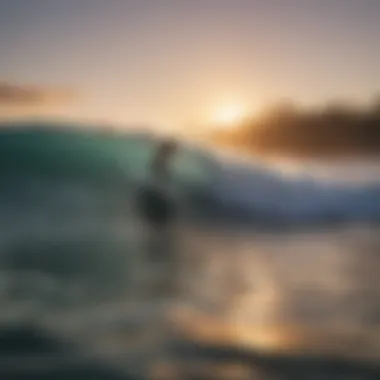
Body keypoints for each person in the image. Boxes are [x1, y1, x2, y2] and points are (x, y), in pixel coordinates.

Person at [136, 138, 180, 297]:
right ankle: (156, 272)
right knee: (159, 238)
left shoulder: (160, 162)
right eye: (171, 150)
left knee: (159, 238)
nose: (174, 154)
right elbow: (155, 184)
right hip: (155, 202)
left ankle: (155, 270)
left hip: (155, 201)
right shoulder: (159, 163)